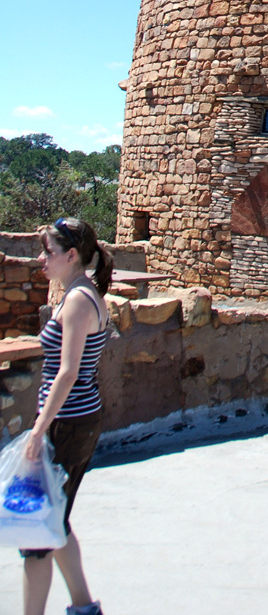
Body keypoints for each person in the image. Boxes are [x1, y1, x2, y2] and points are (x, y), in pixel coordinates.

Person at [21, 218, 112, 615]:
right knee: (55, 519)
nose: (42, 259)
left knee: (36, 535)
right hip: (78, 420)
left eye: (49, 252)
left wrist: (40, 429)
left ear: (72, 255)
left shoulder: (77, 301)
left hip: (67, 424)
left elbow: (68, 371)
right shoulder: (81, 294)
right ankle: (84, 606)